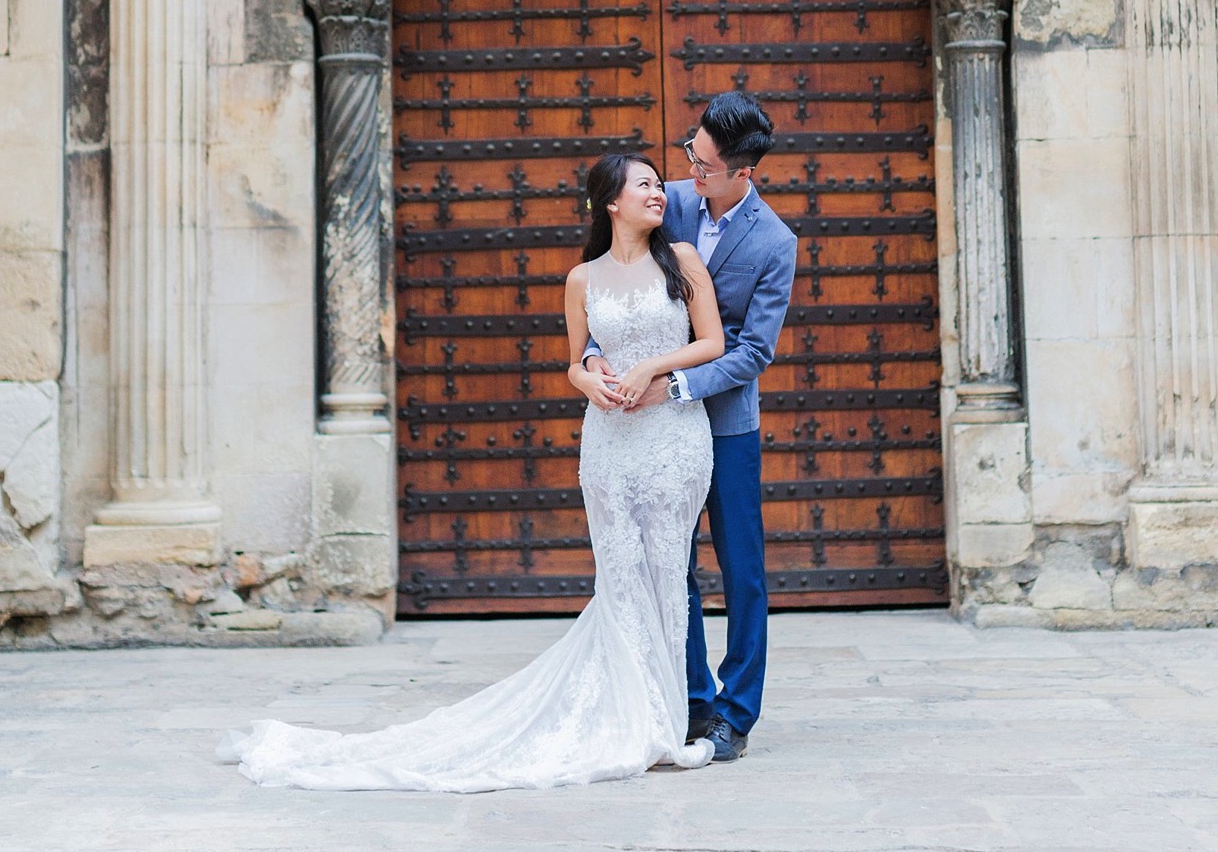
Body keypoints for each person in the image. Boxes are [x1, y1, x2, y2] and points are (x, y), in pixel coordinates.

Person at [217, 153, 726, 793]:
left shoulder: (682, 261)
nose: (660, 194)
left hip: (673, 440)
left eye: (658, 185)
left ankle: (661, 719)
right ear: (610, 202)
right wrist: (589, 381)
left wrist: (651, 367)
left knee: (667, 573)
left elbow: (713, 345)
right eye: (646, 185)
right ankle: (634, 719)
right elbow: (572, 363)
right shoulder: (581, 278)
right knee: (621, 576)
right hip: (610, 442)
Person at [593, 91, 796, 763]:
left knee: (742, 569)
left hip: (726, 423)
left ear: (744, 172)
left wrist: (674, 384)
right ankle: (692, 699)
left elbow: (753, 351)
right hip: (654, 434)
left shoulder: (773, 243)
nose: (689, 171)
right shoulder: (666, 201)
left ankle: (737, 710)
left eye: (704, 163)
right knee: (667, 563)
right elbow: (607, 288)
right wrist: (594, 358)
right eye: (691, 153)